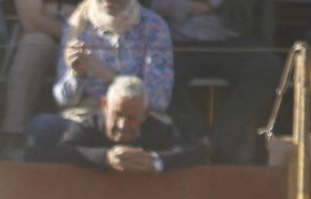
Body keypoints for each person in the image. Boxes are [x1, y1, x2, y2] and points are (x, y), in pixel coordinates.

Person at [140, 0, 278, 164]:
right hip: (180, 42)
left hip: (231, 39)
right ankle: (197, 139)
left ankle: (217, 141)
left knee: (268, 67)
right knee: (154, 72)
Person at [2, 0, 119, 144]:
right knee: (33, 44)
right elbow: (31, 20)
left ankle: (113, 132)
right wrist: (79, 18)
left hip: (97, 40)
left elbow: (116, 9)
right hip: (50, 38)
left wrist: (56, 10)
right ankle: (14, 134)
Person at [53, 0, 173, 118]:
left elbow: (159, 100)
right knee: (42, 127)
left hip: (135, 119)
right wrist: (77, 74)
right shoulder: (76, 25)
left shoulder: (154, 27)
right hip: (86, 115)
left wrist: (110, 77)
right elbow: (63, 100)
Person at [28, 72, 206, 170]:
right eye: (117, 115)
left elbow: (195, 154)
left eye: (131, 118)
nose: (122, 125)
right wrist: (105, 158)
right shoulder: (88, 126)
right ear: (105, 106)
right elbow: (61, 151)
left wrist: (153, 161)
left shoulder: (159, 129)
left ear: (145, 114)